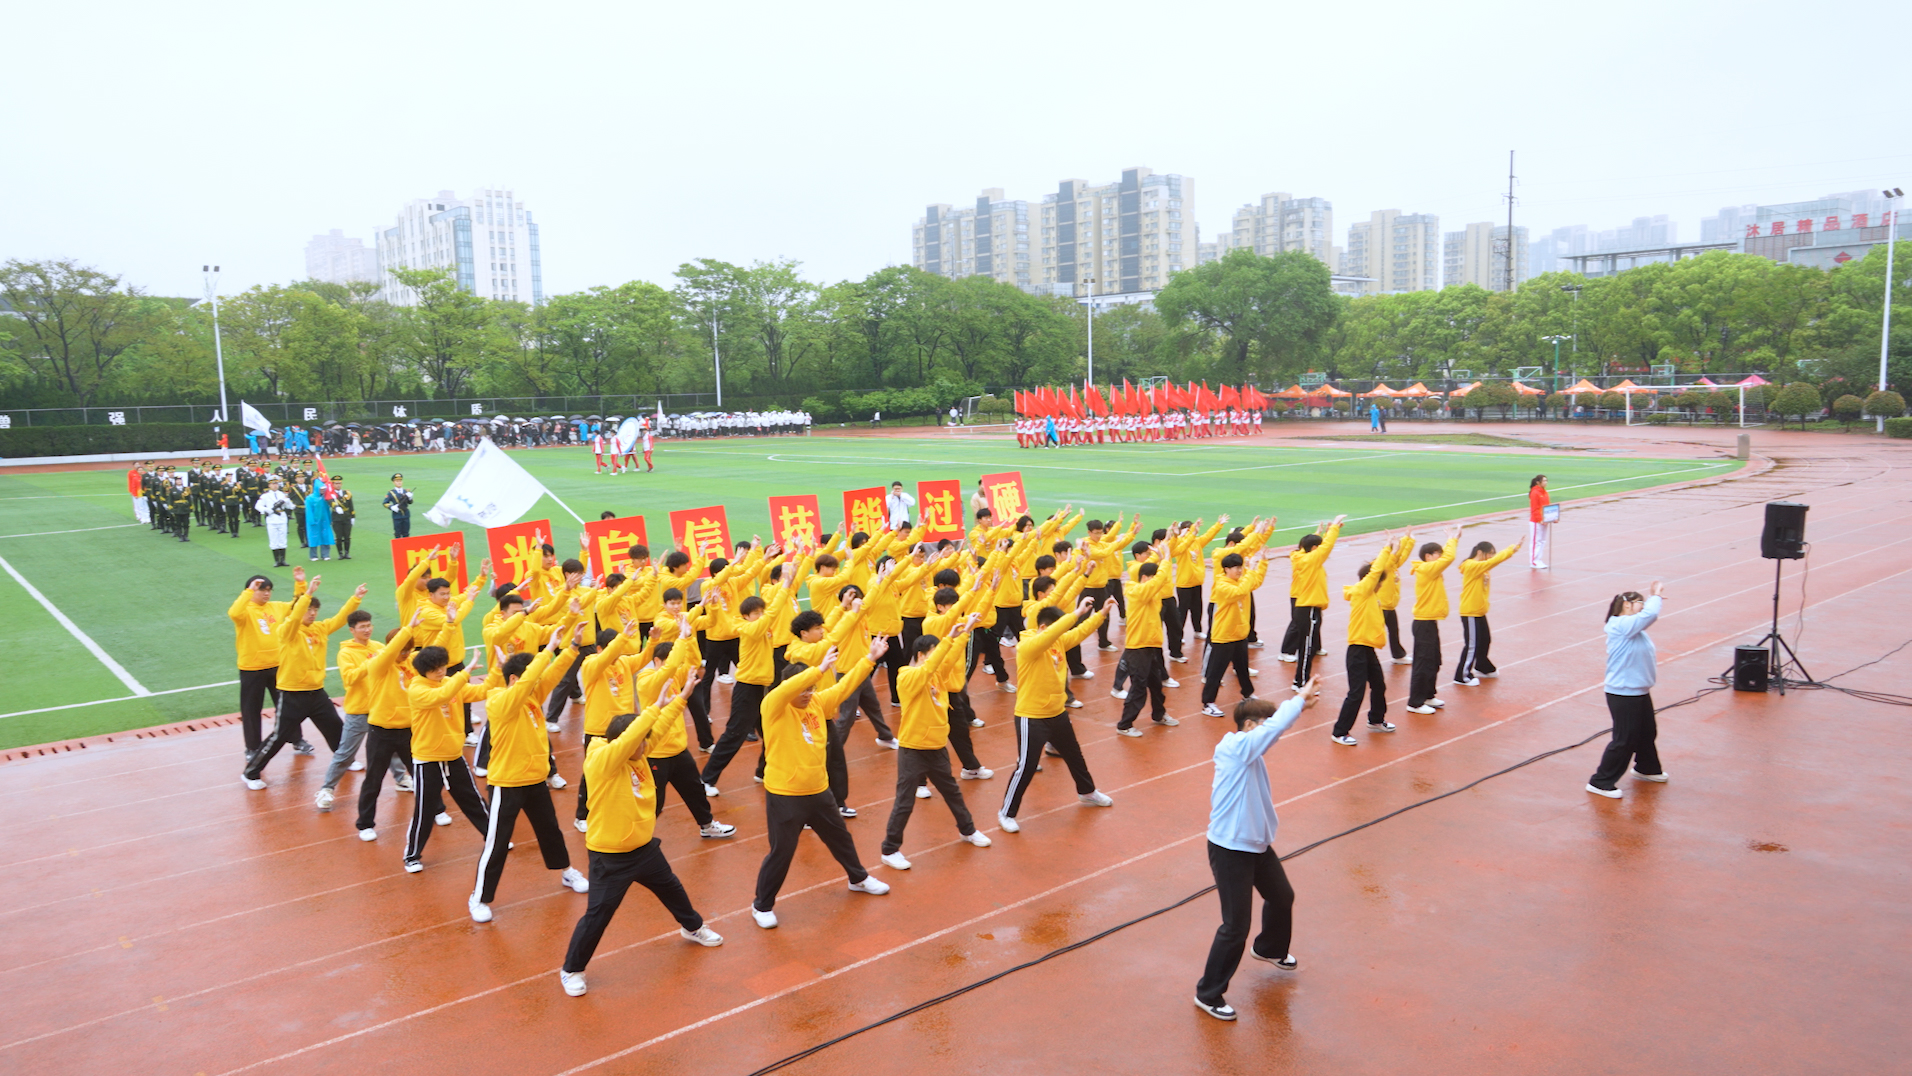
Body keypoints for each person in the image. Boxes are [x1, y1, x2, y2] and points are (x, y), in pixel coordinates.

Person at [560, 673, 722, 997]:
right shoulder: (602, 762)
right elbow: (631, 738)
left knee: (671, 888)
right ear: (624, 742)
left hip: (644, 849)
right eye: (640, 741)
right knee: (599, 914)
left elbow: (656, 729)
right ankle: (571, 970)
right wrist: (652, 708)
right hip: (610, 856)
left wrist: (680, 698)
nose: (647, 745)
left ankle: (692, 927)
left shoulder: (640, 754)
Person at [1192, 679, 1320, 1022]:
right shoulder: (1235, 748)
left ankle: (1269, 948)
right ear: (1249, 726)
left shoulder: (1249, 752)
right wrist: (1299, 699)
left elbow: (1273, 731)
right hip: (1230, 848)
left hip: (1255, 845)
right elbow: (1273, 730)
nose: (1271, 735)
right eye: (1265, 726)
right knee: (1235, 926)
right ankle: (1208, 993)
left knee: (1281, 896)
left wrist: (1297, 708)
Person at [750, 642, 893, 928]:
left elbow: (844, 687)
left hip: (818, 791)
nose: (808, 694)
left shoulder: (817, 703)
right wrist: (818, 670)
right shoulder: (774, 706)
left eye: (811, 689)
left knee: (840, 838)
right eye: (803, 689)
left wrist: (868, 659)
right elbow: (787, 689)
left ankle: (858, 878)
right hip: (785, 794)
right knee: (782, 851)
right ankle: (762, 905)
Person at [470, 627, 589, 923]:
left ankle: (565, 871)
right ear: (514, 679)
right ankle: (480, 897)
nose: (536, 683)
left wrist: (572, 646)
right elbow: (529, 680)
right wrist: (547, 649)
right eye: (528, 679)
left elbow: (551, 674)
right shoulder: (499, 701)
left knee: (550, 831)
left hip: (535, 780)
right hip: (507, 783)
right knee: (497, 841)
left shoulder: (531, 696)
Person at [878, 623, 992, 870]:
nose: (938, 658)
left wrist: (963, 633)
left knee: (952, 792)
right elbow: (931, 666)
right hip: (913, 748)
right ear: (920, 655)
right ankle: (890, 849)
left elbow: (948, 658)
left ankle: (968, 830)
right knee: (905, 801)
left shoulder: (937, 675)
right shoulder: (906, 676)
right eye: (933, 652)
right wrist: (949, 637)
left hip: (937, 746)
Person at [998, 597, 1114, 833]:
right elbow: (1056, 632)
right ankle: (1006, 812)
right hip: (1031, 716)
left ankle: (1087, 792)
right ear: (1043, 627)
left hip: (1057, 713)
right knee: (1026, 766)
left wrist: (1101, 614)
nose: (1060, 633)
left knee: (1074, 755)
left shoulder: (1057, 641)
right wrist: (1076, 614)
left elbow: (1079, 633)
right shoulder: (1027, 646)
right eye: (1056, 628)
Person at [243, 579, 366, 788]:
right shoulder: (287, 631)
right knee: (279, 737)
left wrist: (356, 598)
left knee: (335, 727)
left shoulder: (320, 628)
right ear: (298, 610)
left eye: (315, 610)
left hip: (316, 692)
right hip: (292, 693)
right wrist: (306, 594)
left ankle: (346, 760)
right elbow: (293, 619)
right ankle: (251, 773)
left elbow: (340, 618)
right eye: (308, 609)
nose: (312, 613)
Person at [403, 644, 491, 872]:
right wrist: (466, 671)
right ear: (424, 670)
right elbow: (440, 696)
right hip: (428, 758)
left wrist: (499, 670)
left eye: (442, 666)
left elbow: (480, 691)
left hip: (453, 755)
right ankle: (412, 855)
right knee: (425, 809)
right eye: (435, 669)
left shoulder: (450, 683)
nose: (441, 671)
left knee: (473, 799)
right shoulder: (417, 689)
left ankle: (493, 838)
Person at [319, 609, 416, 811]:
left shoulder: (378, 646)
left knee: (393, 749)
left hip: (381, 709)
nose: (367, 630)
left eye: (369, 625)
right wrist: (372, 663)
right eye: (362, 627)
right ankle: (327, 789)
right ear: (352, 630)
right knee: (346, 752)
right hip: (359, 711)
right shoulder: (346, 653)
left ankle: (401, 779)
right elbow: (349, 678)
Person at [1586, 583, 1667, 799]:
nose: (1643, 607)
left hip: (1639, 691)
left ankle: (1647, 768)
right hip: (1623, 692)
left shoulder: (1634, 628)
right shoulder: (1621, 624)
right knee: (1624, 739)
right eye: (1640, 603)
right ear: (1627, 605)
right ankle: (1600, 781)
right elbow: (1650, 615)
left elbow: (1645, 617)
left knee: (1647, 732)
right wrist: (1656, 596)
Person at [1329, 541, 1404, 745]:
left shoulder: (1371, 595)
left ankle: (1376, 720)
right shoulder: (1363, 591)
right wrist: (1386, 549)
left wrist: (1392, 556)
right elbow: (1376, 570)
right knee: (1356, 692)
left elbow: (1381, 573)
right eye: (1379, 581)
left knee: (1379, 684)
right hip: (1357, 649)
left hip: (1368, 648)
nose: (1381, 585)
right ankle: (1339, 731)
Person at [228, 570, 307, 756]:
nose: (266, 593)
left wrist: (300, 585)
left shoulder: (276, 607)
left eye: (269, 590)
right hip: (251, 668)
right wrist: (248, 591)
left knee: (287, 706)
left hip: (278, 665)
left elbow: (298, 607)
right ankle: (252, 747)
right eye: (262, 590)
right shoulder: (244, 611)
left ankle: (297, 739)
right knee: (251, 710)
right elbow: (233, 612)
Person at [1199, 548, 1274, 717]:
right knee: (1216, 671)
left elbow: (1255, 582)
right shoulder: (1222, 585)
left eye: (1241, 567)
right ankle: (1208, 703)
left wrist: (1262, 563)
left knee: (1242, 668)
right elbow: (1239, 592)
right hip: (1224, 635)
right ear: (1226, 569)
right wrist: (1250, 571)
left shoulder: (1242, 581)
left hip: (1239, 634)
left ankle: (1247, 694)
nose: (1240, 571)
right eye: (1236, 568)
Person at [1112, 547, 1176, 736]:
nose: (1157, 582)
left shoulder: (1151, 592)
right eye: (1153, 578)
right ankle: (1124, 724)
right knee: (1139, 687)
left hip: (1151, 645)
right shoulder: (1136, 591)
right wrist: (1166, 560)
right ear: (1146, 578)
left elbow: (1159, 583)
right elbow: (1155, 583)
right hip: (1138, 647)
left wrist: (1162, 558)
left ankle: (1159, 714)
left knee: (1156, 685)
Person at [1280, 516, 1345, 688]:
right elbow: (1327, 547)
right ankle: (1299, 682)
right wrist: (1334, 528)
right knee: (1306, 647)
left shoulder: (1303, 557)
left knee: (1308, 647)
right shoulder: (1310, 560)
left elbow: (1316, 547)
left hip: (1310, 606)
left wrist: (1323, 533)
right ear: (1314, 549)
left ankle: (1301, 680)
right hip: (1307, 607)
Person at [1404, 528, 1460, 715]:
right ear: (1428, 557)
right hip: (1423, 623)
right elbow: (1449, 558)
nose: (1441, 558)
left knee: (1434, 660)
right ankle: (1415, 702)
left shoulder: (1431, 570)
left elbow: (1445, 559)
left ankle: (1428, 695)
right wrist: (1452, 539)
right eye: (1438, 554)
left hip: (1430, 621)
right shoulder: (1427, 569)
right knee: (1423, 662)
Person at [1453, 536, 1520, 686]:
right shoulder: (1471, 565)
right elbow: (1492, 562)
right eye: (1489, 553)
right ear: (1480, 552)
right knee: (1472, 644)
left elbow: (1490, 564)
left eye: (1492, 554)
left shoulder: (1482, 567)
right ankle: (1461, 676)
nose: (1491, 557)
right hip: (1470, 611)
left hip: (1479, 611)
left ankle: (1482, 666)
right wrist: (1511, 549)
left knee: (1485, 640)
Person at [256, 478, 296, 567]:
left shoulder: (282, 494)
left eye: (276, 484)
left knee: (282, 539)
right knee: (273, 539)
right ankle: (277, 560)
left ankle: (283, 560)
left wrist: (289, 502)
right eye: (273, 484)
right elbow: (258, 506)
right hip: (272, 518)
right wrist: (267, 510)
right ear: (269, 485)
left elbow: (289, 506)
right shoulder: (265, 496)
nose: (275, 485)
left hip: (282, 517)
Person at [304, 482, 335, 561]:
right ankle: (313, 555)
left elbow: (327, 509)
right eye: (321, 489)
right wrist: (311, 521)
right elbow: (309, 511)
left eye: (324, 489)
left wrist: (330, 519)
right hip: (315, 521)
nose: (323, 491)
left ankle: (325, 554)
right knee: (313, 537)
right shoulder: (310, 498)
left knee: (325, 536)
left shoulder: (325, 498)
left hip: (324, 520)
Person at [1528, 475, 1551, 569]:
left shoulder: (1545, 492)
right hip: (1536, 522)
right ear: (1538, 482)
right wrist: (1540, 519)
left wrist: (1551, 517)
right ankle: (1533, 561)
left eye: (1546, 480)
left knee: (1542, 541)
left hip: (1544, 521)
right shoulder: (1535, 493)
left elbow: (1547, 507)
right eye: (1544, 481)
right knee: (1536, 541)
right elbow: (1534, 509)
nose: (1546, 482)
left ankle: (1538, 559)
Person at [384, 474, 413, 538]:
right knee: (397, 533)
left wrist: (410, 497)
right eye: (397, 481)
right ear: (393, 482)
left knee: (406, 533)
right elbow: (385, 503)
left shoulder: (406, 491)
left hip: (406, 514)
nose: (399, 482)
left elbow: (410, 502)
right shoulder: (391, 493)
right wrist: (392, 507)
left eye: (400, 481)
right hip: (397, 516)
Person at [332, 483, 356, 560]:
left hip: (347, 517)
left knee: (347, 536)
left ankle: (347, 553)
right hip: (337, 518)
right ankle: (340, 553)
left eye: (339, 483)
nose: (338, 485)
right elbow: (330, 502)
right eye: (336, 483)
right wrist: (336, 507)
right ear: (333, 484)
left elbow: (351, 505)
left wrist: (353, 516)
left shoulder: (347, 493)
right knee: (338, 537)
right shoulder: (331, 494)